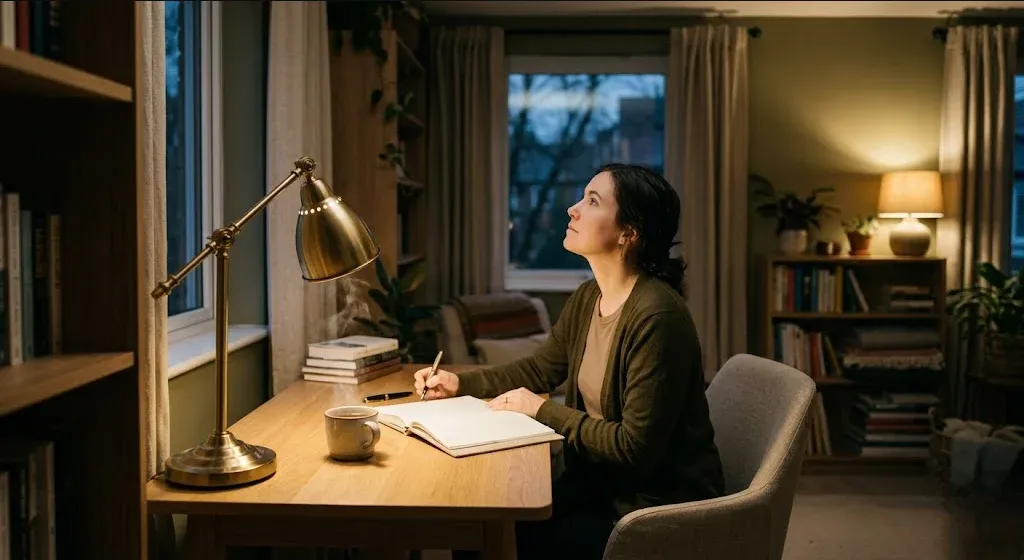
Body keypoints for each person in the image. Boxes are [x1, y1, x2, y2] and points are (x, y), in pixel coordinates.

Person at [414, 163, 725, 559]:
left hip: (647, 510)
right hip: (601, 486)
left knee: (491, 536)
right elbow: (540, 369)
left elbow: (634, 448)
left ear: (628, 234)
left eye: (592, 201)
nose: (572, 209)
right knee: (478, 524)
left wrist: (542, 409)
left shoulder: (657, 317)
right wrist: (459, 383)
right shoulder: (588, 297)